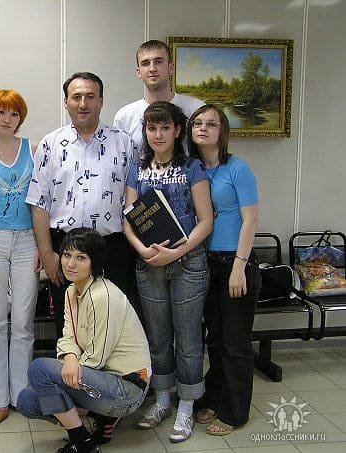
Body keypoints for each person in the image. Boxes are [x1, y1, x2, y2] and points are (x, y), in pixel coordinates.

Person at [124, 101, 213, 443]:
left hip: (188, 264)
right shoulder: (137, 169)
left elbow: (205, 221)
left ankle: (186, 405)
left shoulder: (192, 168)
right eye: (152, 128)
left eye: (165, 127)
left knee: (188, 340)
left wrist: (176, 252)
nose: (158, 134)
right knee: (157, 338)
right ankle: (162, 400)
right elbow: (128, 218)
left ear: (178, 130)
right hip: (149, 265)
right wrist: (142, 249)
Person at [17, 228, 151, 453]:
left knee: (39, 369)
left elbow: (97, 358)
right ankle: (102, 417)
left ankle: (82, 442)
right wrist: (70, 357)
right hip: (100, 378)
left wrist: (69, 366)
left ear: (94, 263)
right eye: (67, 255)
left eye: (81, 258)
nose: (70, 264)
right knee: (27, 401)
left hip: (127, 389)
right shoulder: (72, 291)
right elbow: (68, 336)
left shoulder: (102, 296)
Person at [26, 71, 137, 339]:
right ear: (66, 102)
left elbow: (134, 200)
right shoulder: (51, 145)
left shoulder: (124, 143)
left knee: (112, 328)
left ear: (101, 101)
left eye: (90, 96)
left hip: (113, 249)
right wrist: (47, 252)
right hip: (65, 248)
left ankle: (108, 370)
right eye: (76, 97)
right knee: (70, 328)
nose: (83, 103)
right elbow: (39, 203)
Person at [188, 104, 261, 436]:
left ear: (222, 131)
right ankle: (215, 397)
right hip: (205, 263)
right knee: (215, 340)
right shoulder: (193, 169)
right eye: (198, 123)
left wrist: (239, 268)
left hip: (236, 262)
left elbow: (250, 221)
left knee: (235, 343)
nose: (203, 128)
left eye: (211, 123)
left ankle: (234, 412)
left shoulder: (237, 168)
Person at [0, 89, 40, 425]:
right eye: (0, 112)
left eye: (13, 113)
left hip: (27, 240)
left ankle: (21, 394)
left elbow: (43, 197)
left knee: (23, 321)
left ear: (20, 118)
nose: (7, 119)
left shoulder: (34, 149)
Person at [113, 39, 204, 150]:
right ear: (138, 72)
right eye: (145, 63)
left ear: (171, 68)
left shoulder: (196, 109)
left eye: (158, 62)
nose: (152, 68)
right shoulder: (124, 117)